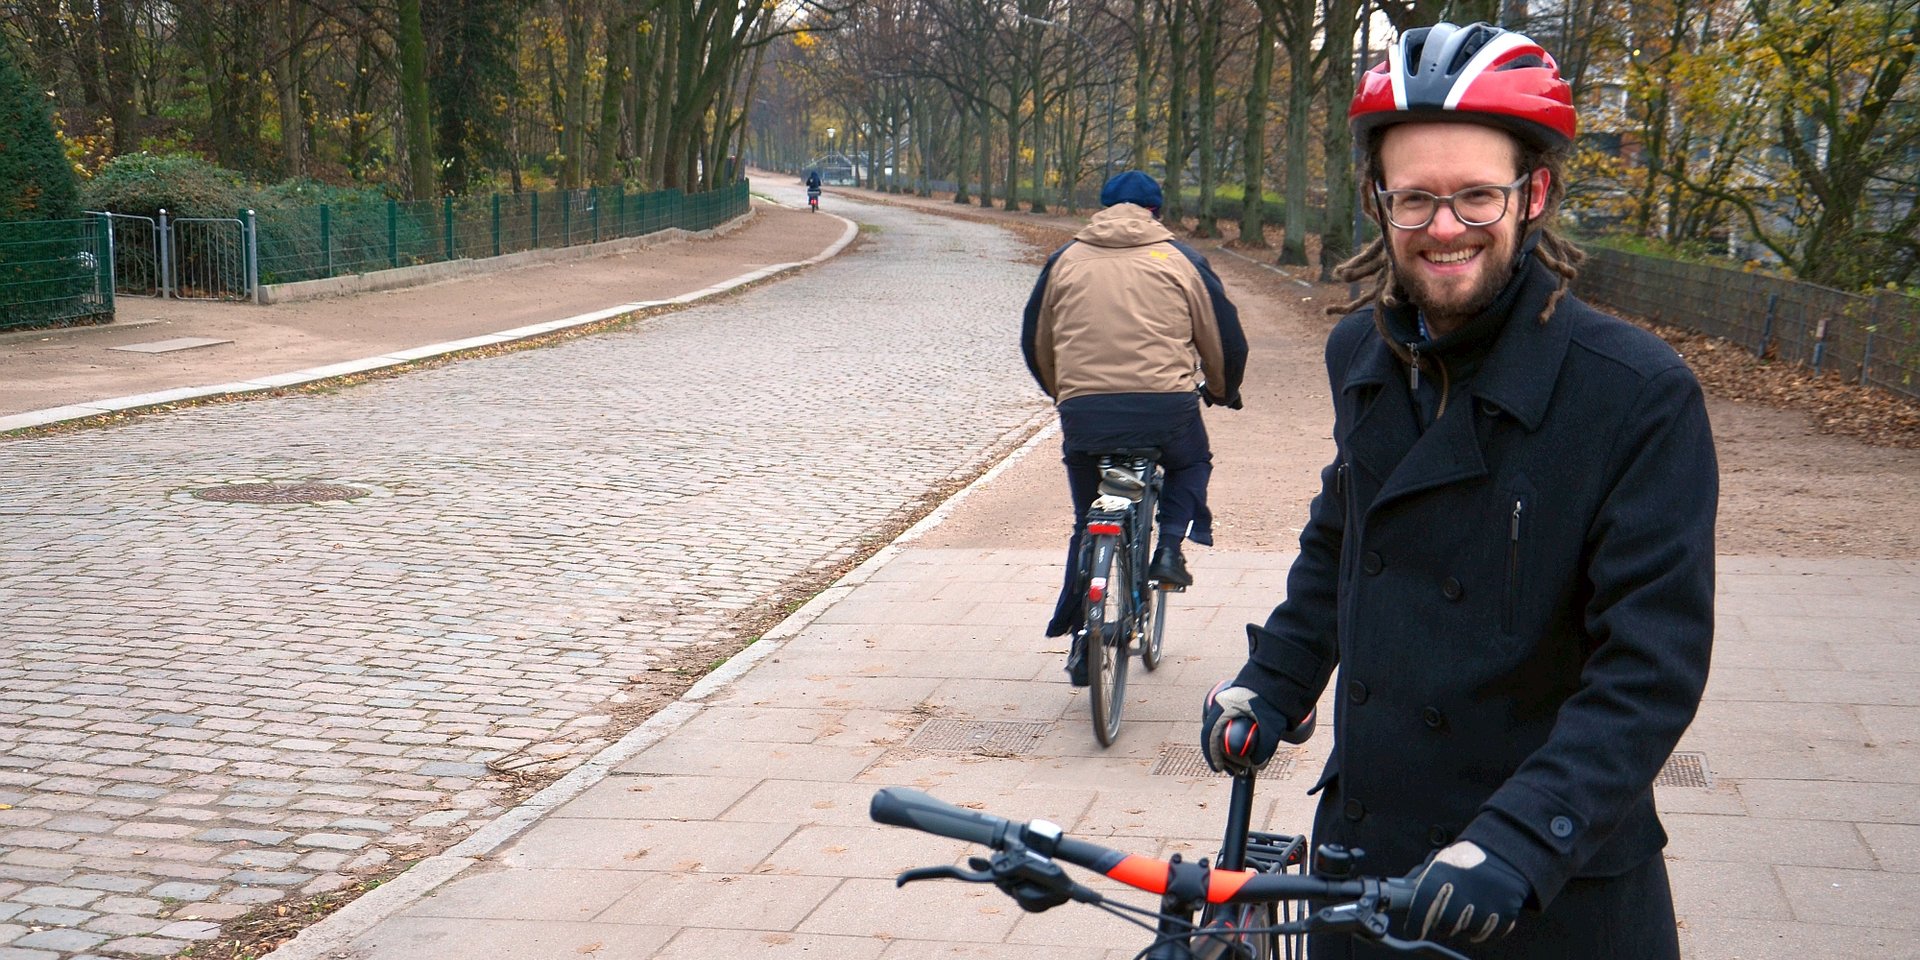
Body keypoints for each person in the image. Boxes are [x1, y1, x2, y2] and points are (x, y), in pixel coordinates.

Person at [1198, 22, 1716, 958]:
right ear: (1378, 200)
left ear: (1535, 193)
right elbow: (1343, 538)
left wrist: (1520, 840)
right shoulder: (1359, 351)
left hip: (1546, 891)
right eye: (1417, 199)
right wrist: (1271, 681)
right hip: (1365, 866)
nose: (1445, 227)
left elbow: (1651, 667)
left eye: (1477, 196)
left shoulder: (1635, 392)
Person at [1022, 169, 1247, 684]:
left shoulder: (1066, 259)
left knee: (1086, 521)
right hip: (1164, 408)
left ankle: (1083, 636)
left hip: (1086, 414)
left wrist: (1065, 392)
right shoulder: (1181, 258)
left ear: (1101, 208)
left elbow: (1036, 339)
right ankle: (1168, 548)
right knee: (1192, 461)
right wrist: (1221, 388)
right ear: (1156, 212)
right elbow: (1224, 337)